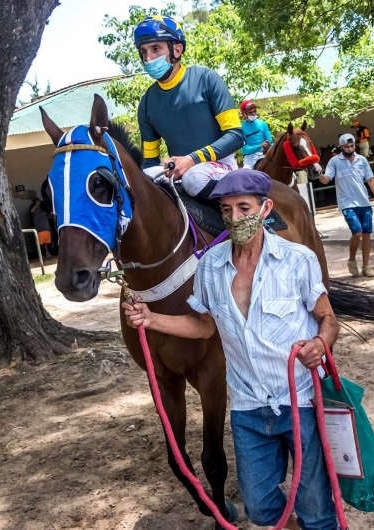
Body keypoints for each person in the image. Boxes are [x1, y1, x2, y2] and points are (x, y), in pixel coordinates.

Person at [122, 169, 340, 530]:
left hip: (298, 400)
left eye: (243, 208)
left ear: (266, 208)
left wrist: (320, 343)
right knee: (261, 509)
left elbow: (327, 318)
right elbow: (205, 325)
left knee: (317, 510)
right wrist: (151, 320)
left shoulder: (298, 259)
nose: (235, 218)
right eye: (226, 211)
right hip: (248, 409)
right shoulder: (210, 266)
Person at [134, 15, 244, 202]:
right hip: (177, 171)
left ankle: (243, 222)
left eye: (156, 49)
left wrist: (192, 159)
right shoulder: (146, 103)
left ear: (177, 49)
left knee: (194, 178)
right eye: (143, 51)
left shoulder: (207, 78)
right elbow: (150, 162)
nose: (148, 58)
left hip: (218, 166)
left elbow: (236, 136)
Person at [319, 134, 374, 277]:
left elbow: (370, 179)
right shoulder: (334, 161)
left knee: (367, 233)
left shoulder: (362, 160)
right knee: (357, 232)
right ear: (341, 147)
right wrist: (318, 173)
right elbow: (326, 180)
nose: (349, 148)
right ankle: (352, 259)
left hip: (364, 201)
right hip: (347, 203)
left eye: (351, 146)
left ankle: (366, 266)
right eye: (346, 146)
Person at [240, 100, 274, 169]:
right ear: (244, 114)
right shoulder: (241, 127)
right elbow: (244, 150)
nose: (253, 114)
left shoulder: (263, 124)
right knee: (245, 174)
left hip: (266, 154)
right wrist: (259, 146)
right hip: (250, 158)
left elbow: (270, 141)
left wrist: (269, 145)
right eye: (250, 112)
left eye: (254, 111)